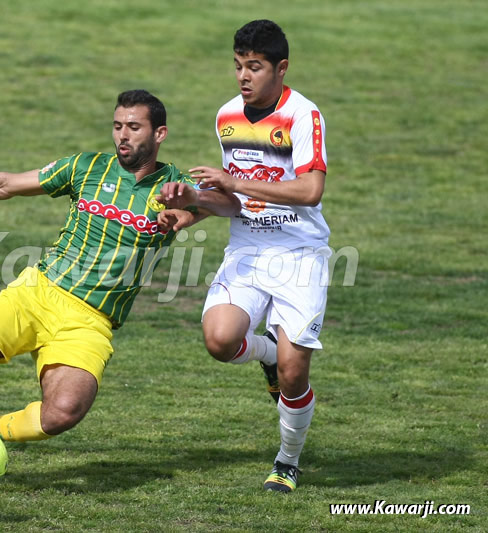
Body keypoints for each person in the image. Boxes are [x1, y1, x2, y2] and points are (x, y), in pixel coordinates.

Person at [0, 90, 239, 449]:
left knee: (63, 413)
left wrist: (192, 205)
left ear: (159, 134)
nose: (122, 136)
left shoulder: (174, 187)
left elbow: (231, 204)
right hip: (38, 293)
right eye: (117, 126)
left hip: (91, 320)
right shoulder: (85, 167)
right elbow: (6, 184)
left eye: (133, 127)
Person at [158, 20, 330, 493]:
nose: (243, 76)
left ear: (281, 68)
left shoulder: (302, 114)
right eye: (238, 66)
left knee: (295, 378)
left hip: (299, 253)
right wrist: (189, 204)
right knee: (219, 340)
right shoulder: (227, 116)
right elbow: (233, 203)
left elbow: (311, 190)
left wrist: (236, 182)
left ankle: (287, 460)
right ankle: (270, 353)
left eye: (254, 67)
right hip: (249, 248)